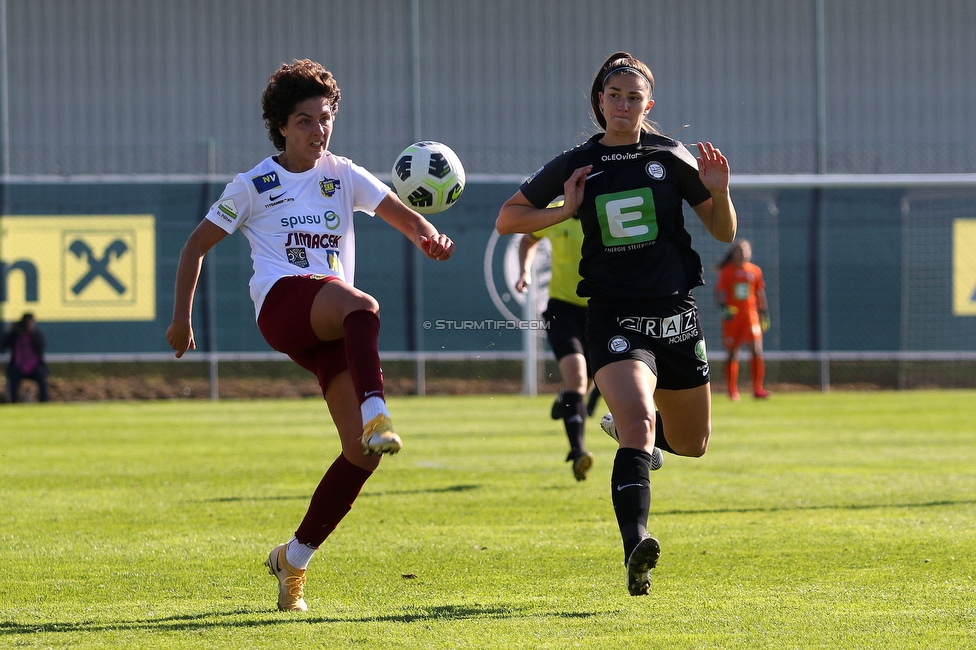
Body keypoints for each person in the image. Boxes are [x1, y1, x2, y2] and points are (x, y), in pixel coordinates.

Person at [166, 59, 455, 612]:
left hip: (325, 324)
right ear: (280, 126)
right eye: (304, 121)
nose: (318, 131)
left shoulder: (343, 173)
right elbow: (193, 247)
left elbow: (403, 215)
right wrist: (182, 317)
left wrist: (430, 237)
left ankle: (292, 560)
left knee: (360, 457)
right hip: (282, 306)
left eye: (325, 119)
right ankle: (379, 410)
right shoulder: (253, 184)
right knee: (362, 305)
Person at [496, 51, 737, 596]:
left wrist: (719, 190)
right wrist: (564, 207)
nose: (624, 105)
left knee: (693, 443)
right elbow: (508, 217)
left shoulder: (670, 156)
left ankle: (634, 435)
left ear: (648, 105)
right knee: (638, 426)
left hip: (676, 315)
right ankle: (637, 545)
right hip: (614, 315)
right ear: (599, 103)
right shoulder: (576, 163)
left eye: (634, 97)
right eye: (615, 95)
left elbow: (722, 233)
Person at [515, 201, 597, 480]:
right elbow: (527, 239)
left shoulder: (605, 210)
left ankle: (566, 398)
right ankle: (578, 452)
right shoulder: (556, 212)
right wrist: (524, 271)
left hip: (600, 309)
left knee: (594, 376)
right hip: (562, 309)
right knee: (577, 376)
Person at [714, 240, 770, 400]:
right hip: (733, 319)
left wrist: (764, 313)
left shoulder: (755, 271)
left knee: (757, 350)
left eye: (745, 251)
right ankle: (732, 391)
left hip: (751, 317)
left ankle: (757, 389)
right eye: (739, 251)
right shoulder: (727, 271)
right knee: (733, 354)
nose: (742, 254)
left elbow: (759, 293)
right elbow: (719, 292)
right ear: (733, 253)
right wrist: (724, 309)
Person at [1, 313, 50, 403]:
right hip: (18, 366)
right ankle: (14, 401)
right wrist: (11, 332)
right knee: (14, 375)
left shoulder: (37, 334)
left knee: (41, 375)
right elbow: (4, 344)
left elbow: (41, 345)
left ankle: (44, 400)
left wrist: (32, 332)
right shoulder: (16, 335)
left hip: (34, 367)